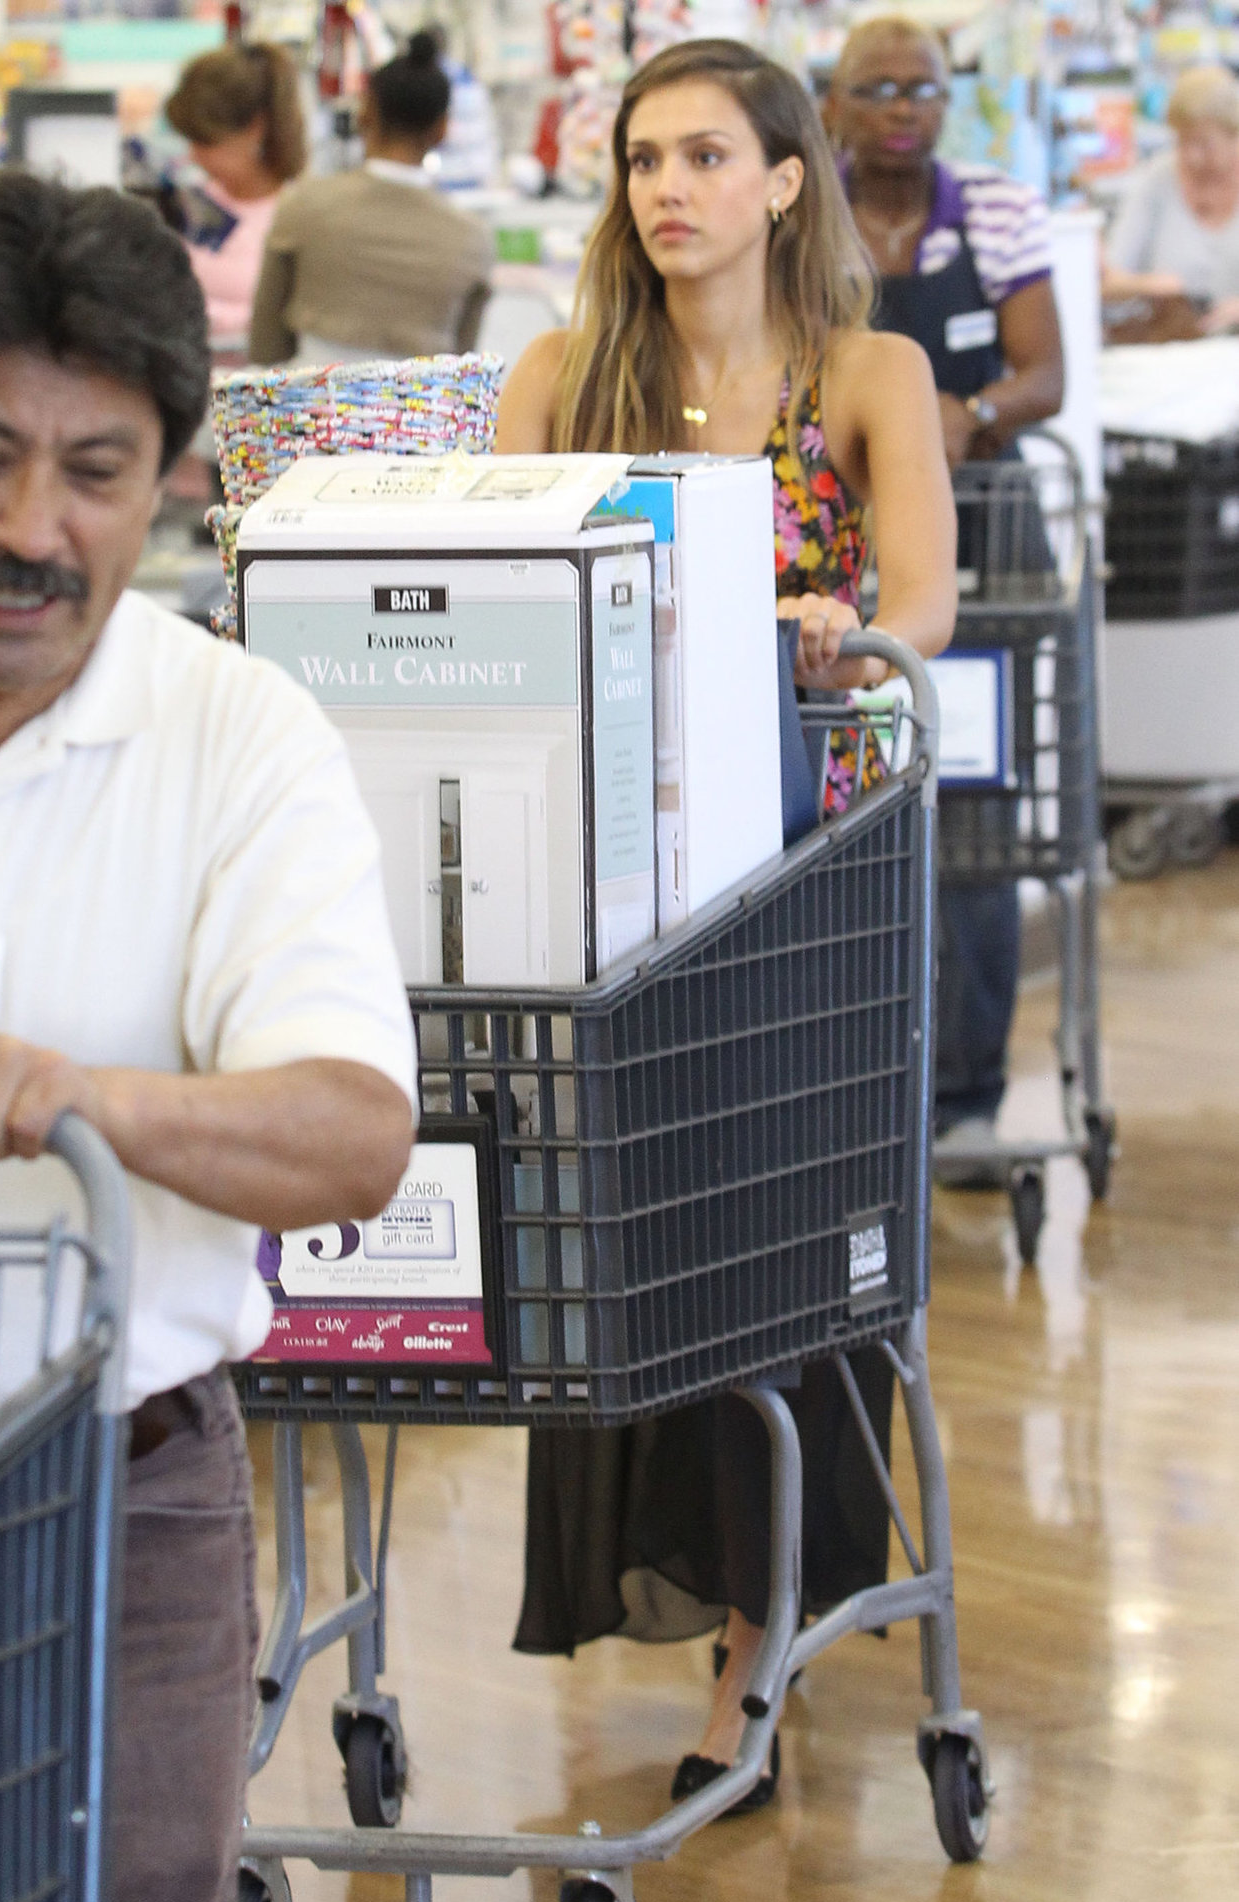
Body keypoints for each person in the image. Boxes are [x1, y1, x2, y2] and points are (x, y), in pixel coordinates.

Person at [0, 171, 416, 1902]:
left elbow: (352, 1127)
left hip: (115, 1526)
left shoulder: (234, 736)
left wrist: (80, 1099)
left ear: (166, 485)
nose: (30, 527)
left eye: (96, 470)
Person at [496, 38, 955, 1809]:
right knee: (624, 1246)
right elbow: (494, 561)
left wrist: (842, 617)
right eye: (638, 159)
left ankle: (756, 1647)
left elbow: (918, 592)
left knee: (770, 1250)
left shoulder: (867, 372)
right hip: (604, 879)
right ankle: (706, 1605)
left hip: (797, 880)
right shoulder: (560, 371)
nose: (663, 188)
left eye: (701, 155)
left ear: (782, 180)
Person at [826, 16, 1065, 1181]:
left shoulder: (1000, 211)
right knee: (837, 816)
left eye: (922, 88)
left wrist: (987, 412)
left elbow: (1046, 370)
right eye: (877, 88)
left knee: (970, 799)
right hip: (833, 517)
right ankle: (849, 1086)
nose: (902, 108)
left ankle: (967, 1090)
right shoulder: (799, 211)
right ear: (832, 104)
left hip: (986, 523)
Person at [249, 30, 493, 366]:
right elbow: (462, 371)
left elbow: (266, 347)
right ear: (442, 129)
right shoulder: (472, 239)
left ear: (364, 114)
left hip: (310, 407)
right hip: (417, 414)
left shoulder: (304, 206)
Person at [164, 41, 308, 347]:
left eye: (205, 141)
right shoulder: (187, 204)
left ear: (256, 128)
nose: (193, 156)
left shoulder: (301, 219)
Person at [1103, 66, 1239, 338]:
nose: (1191, 156)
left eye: (1204, 143)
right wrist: (1147, 286)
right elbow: (1109, 281)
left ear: (1234, 135)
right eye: (1182, 141)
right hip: (1167, 361)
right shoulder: (1156, 181)